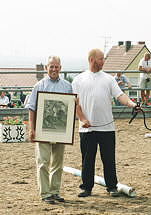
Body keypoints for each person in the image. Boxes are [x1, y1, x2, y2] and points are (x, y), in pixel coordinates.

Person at [72, 49, 141, 198]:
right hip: (86, 129)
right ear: (91, 60)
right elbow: (75, 104)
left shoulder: (109, 79)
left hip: (107, 127)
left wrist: (132, 104)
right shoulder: (78, 80)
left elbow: (120, 95)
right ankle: (86, 187)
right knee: (87, 160)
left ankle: (111, 187)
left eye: (103, 59)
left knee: (109, 159)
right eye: (100, 59)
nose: (103, 61)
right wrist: (83, 119)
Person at [26, 56, 72, 204]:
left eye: (56, 66)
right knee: (43, 162)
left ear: (60, 68)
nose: (53, 69)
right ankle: (45, 193)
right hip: (42, 130)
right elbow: (32, 108)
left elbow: (70, 108)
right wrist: (31, 129)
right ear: (46, 68)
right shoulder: (38, 86)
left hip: (60, 131)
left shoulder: (67, 86)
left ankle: (54, 191)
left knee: (58, 162)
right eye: (51, 66)